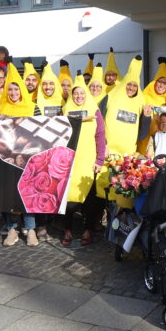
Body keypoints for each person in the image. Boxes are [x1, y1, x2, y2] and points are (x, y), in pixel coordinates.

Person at [0, 61, 42, 246]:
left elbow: (41, 133)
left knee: (28, 192)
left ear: (22, 90)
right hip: (8, 158)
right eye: (10, 90)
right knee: (10, 193)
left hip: (29, 157)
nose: (14, 93)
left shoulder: (33, 107)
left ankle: (30, 229)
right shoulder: (1, 108)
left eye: (16, 90)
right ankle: (13, 229)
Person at [98, 55, 151, 207]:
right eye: (129, 84)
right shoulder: (110, 97)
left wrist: (146, 117)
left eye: (135, 86)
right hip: (108, 151)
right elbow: (99, 121)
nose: (131, 88)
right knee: (103, 188)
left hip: (126, 155)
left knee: (121, 188)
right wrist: (103, 144)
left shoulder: (141, 101)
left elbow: (141, 134)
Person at [62, 75, 106, 246]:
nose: (79, 96)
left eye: (82, 93)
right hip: (69, 162)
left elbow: (100, 136)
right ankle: (68, 230)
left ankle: (88, 229)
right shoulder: (65, 111)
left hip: (88, 162)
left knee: (90, 199)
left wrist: (100, 160)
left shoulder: (95, 111)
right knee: (68, 198)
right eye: (76, 94)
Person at [137, 57, 166, 154]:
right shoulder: (144, 97)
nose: (161, 85)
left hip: (163, 143)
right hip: (145, 140)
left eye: (165, 83)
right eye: (159, 82)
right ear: (154, 83)